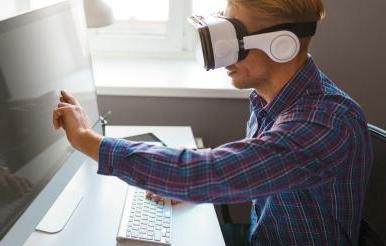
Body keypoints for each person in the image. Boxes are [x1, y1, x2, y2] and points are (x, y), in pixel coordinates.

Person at [53, 0, 373, 245]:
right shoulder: (273, 100)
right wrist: (196, 188)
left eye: (236, 38)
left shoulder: (324, 124)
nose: (224, 58)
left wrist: (86, 139)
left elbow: (208, 172)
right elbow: (245, 171)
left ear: (282, 46)